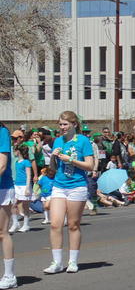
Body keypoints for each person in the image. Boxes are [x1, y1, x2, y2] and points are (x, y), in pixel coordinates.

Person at [43, 111, 95, 274]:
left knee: (73, 224)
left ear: (74, 125)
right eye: (60, 124)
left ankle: (72, 261)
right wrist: (54, 157)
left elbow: (90, 166)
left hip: (77, 186)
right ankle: (57, 262)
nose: (62, 127)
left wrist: (70, 159)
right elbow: (53, 167)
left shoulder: (83, 141)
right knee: (55, 224)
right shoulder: (58, 140)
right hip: (59, 185)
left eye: (65, 124)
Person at [0, 122, 17, 290]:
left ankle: (10, 276)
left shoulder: (2, 132)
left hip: (2, 188)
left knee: (2, 232)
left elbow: (2, 165)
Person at [11, 145, 33, 233]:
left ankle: (26, 224)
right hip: (17, 185)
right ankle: (15, 223)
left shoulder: (26, 162)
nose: (13, 153)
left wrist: (27, 188)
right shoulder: (17, 162)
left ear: (18, 151)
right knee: (13, 204)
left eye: (14, 151)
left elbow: (28, 175)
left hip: (24, 186)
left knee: (25, 206)